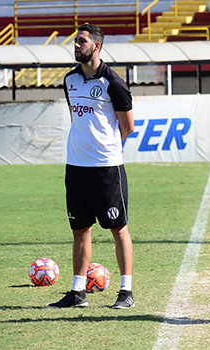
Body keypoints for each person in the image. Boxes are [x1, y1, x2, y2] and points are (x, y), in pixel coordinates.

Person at [49, 24, 136, 309]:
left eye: (82, 41)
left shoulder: (113, 82)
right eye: (75, 41)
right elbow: (76, 118)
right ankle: (78, 292)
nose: (76, 45)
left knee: (118, 228)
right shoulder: (70, 79)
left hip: (106, 168)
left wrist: (105, 148)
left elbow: (128, 126)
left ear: (96, 46)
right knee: (80, 230)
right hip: (76, 167)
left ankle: (126, 291)